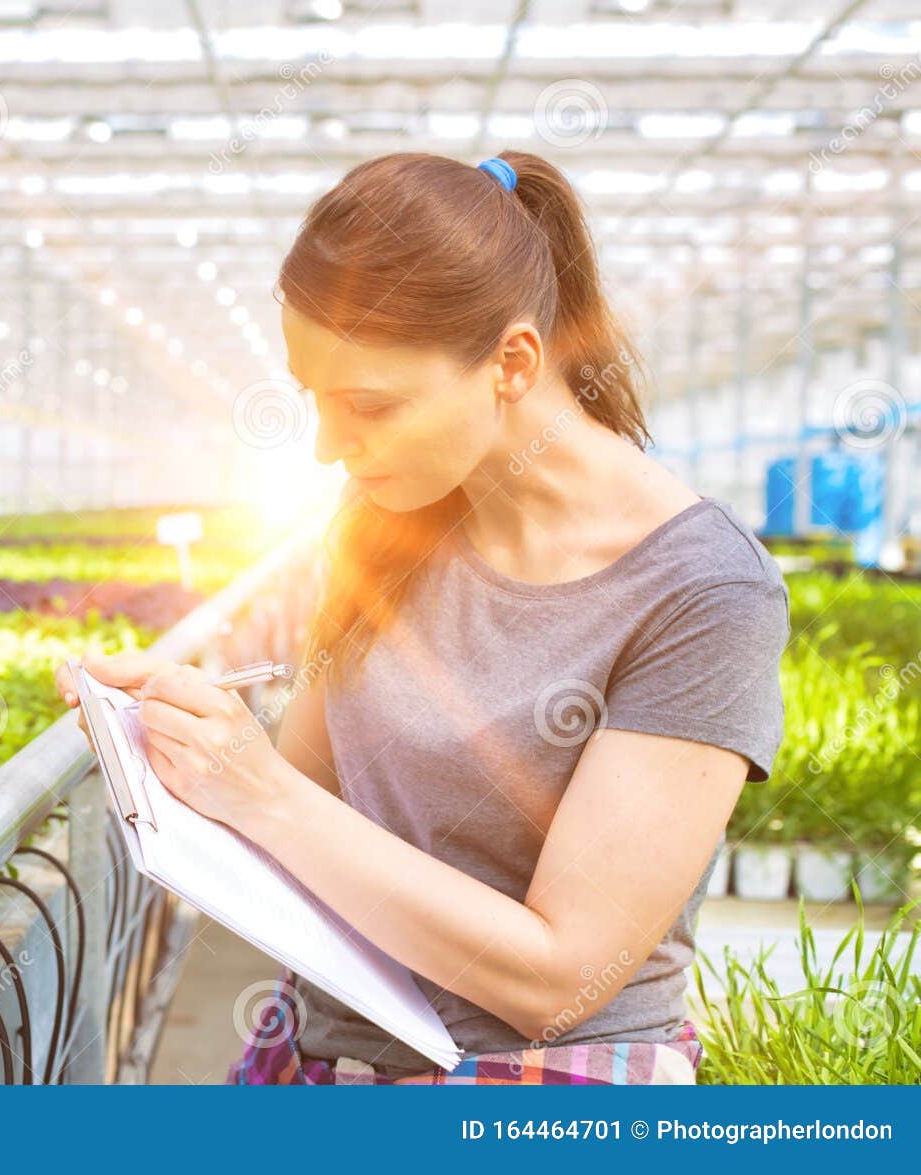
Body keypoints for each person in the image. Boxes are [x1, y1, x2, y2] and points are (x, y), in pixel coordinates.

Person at [54, 151, 788, 1086]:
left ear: (513, 362)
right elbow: (305, 805)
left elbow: (559, 978)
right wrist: (175, 737)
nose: (326, 447)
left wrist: (260, 791)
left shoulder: (701, 592)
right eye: (313, 399)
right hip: (325, 1051)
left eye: (368, 405)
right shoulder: (382, 524)